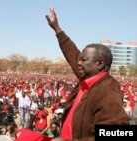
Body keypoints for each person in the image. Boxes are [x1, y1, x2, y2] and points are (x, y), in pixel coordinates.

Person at [45, 7, 130, 141]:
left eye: (84, 60)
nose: (79, 63)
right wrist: (57, 29)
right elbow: (73, 54)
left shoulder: (107, 91)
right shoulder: (88, 78)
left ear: (100, 64)